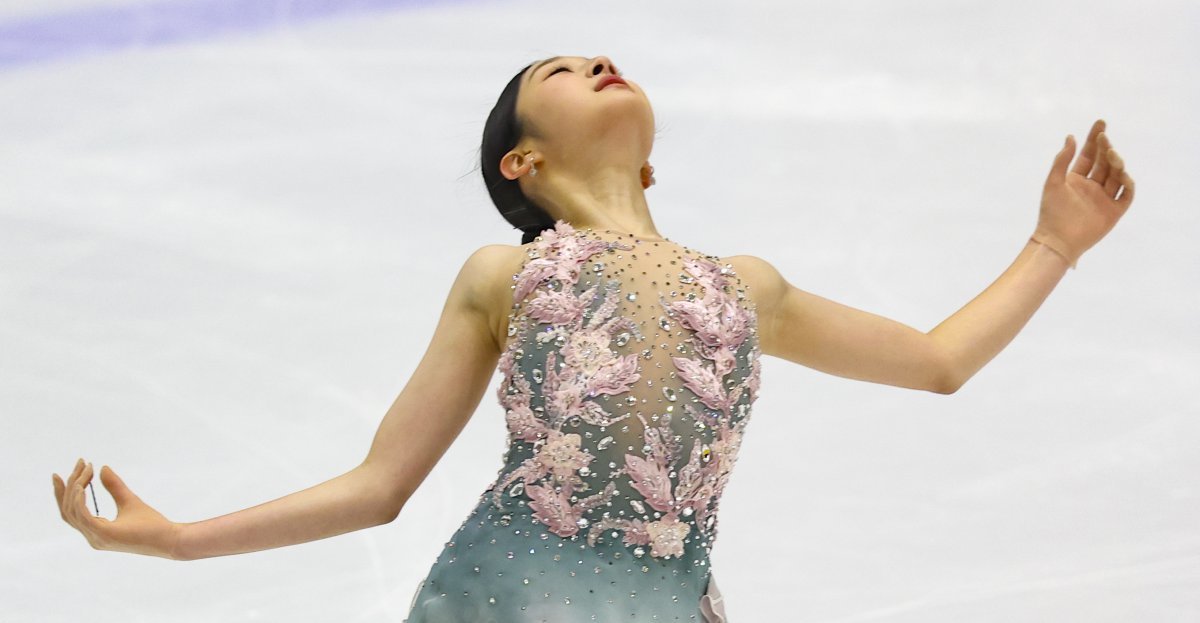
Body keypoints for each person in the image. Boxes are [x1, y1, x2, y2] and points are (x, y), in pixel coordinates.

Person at [52, 55, 1135, 622]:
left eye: (603, 58)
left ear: (654, 161)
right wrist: (176, 539)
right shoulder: (505, 277)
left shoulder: (744, 288)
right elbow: (382, 484)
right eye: (559, 72)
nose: (599, 61)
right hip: (507, 604)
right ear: (518, 165)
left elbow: (938, 362)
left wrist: (1053, 243)